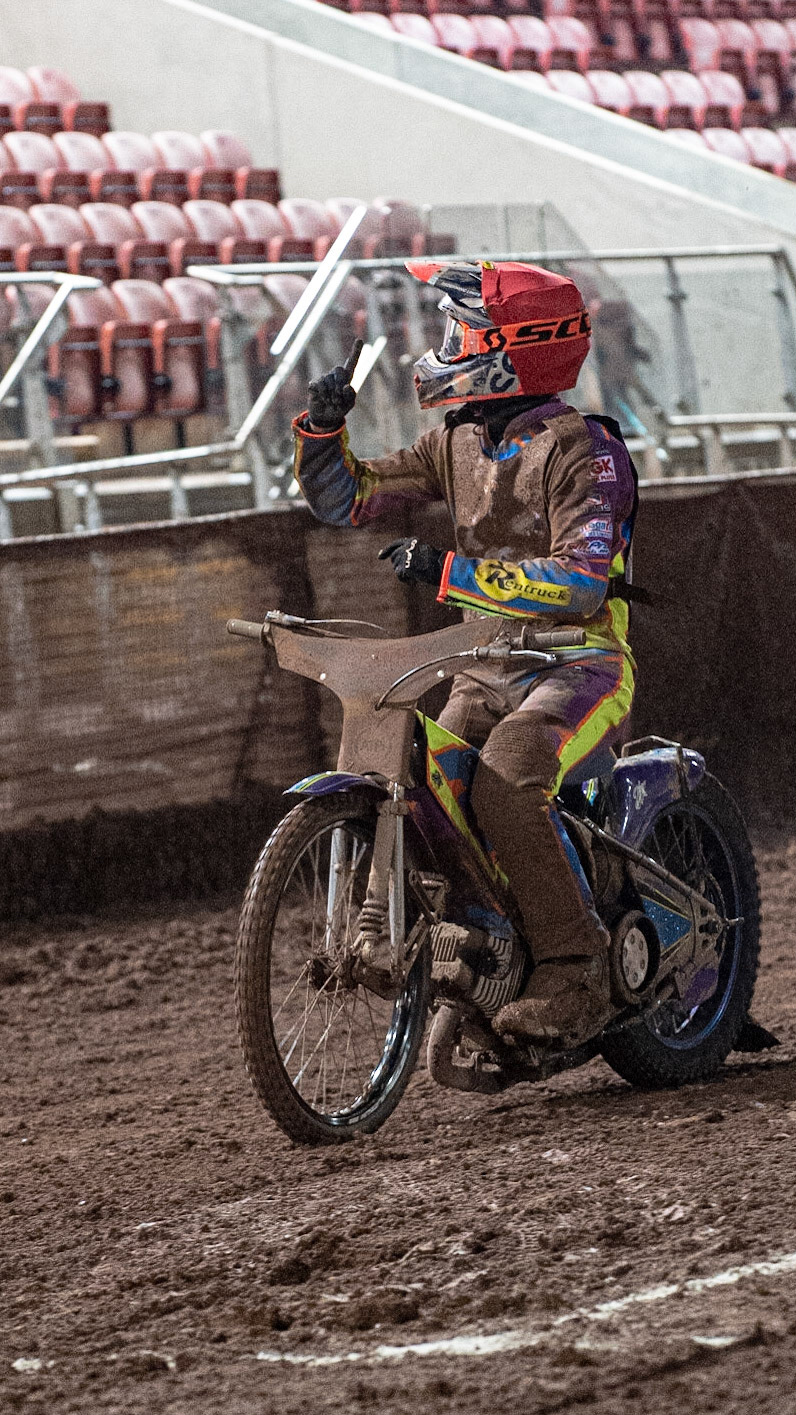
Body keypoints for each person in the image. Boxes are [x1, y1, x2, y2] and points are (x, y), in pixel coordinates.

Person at [292, 259, 638, 1048]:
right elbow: (348, 497)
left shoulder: (586, 449)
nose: (449, 345)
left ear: (516, 345)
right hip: (483, 664)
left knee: (507, 778)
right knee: (429, 778)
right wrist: (321, 431)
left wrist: (450, 569)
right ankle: (483, 937)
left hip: (579, 664)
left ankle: (576, 964)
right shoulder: (457, 440)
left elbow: (582, 583)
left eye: (464, 332)